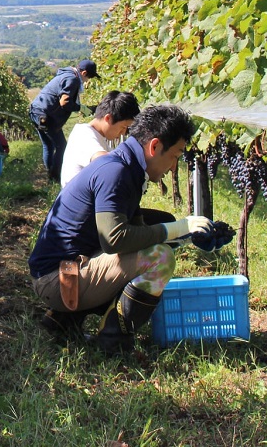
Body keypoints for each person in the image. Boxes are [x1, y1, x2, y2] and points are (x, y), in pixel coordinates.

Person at [27, 104, 213, 355]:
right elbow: (114, 239)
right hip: (57, 280)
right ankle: (112, 342)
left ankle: (64, 321)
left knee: (155, 236)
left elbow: (138, 230)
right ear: (155, 146)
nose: (172, 167)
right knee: (160, 258)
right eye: (175, 156)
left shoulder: (127, 166)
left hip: (63, 272)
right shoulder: (116, 172)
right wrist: (176, 228)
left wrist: (186, 235)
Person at [30, 59, 98, 183]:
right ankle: (55, 177)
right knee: (61, 146)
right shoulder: (73, 79)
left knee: (48, 145)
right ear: (84, 73)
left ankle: (50, 174)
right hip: (45, 115)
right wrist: (80, 108)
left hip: (37, 111)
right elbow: (65, 102)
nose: (88, 80)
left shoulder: (66, 74)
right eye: (90, 77)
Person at [60, 91, 140, 187]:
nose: (123, 133)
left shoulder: (98, 136)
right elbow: (105, 161)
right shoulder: (83, 135)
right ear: (108, 118)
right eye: (123, 127)